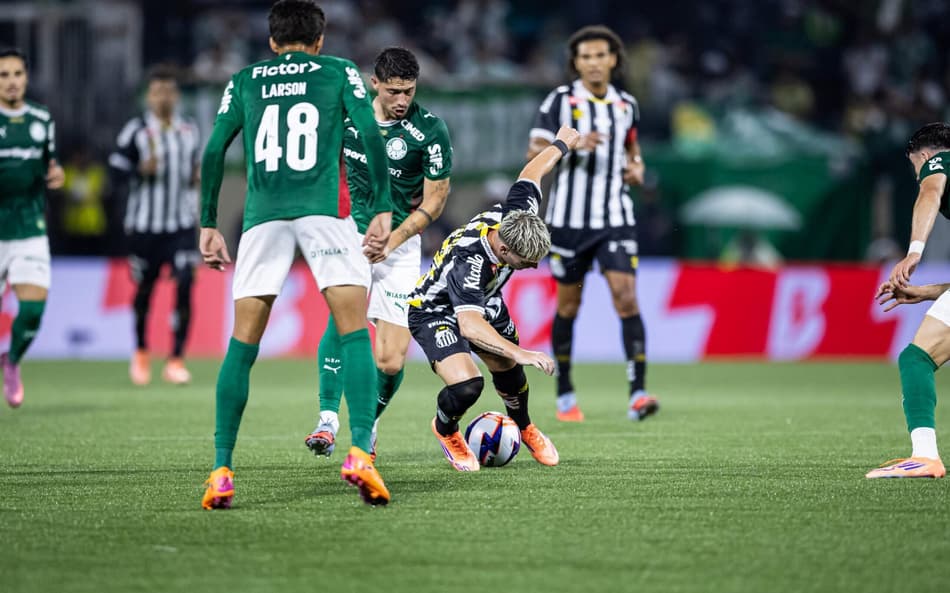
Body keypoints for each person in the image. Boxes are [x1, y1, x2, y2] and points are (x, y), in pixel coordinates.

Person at [199, 0, 394, 508]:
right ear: (320, 39)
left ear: (271, 41)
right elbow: (369, 131)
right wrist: (382, 207)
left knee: (241, 346)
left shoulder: (245, 79)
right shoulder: (338, 71)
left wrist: (208, 221)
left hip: (263, 216)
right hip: (323, 211)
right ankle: (359, 454)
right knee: (353, 331)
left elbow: (215, 148)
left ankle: (221, 470)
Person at [304, 47, 452, 459]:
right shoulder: (348, 116)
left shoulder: (430, 131)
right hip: (350, 233)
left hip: (400, 244)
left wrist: (393, 239)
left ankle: (368, 423)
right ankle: (328, 420)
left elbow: (435, 201)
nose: (402, 100)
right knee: (345, 318)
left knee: (389, 360)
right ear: (375, 84)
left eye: (408, 91)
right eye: (393, 91)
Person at [409, 125, 580, 472]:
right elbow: (469, 325)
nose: (531, 267)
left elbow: (531, 172)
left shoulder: (517, 217)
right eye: (525, 261)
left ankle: (526, 426)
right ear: (503, 248)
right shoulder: (470, 260)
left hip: (483, 299)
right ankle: (446, 430)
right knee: (469, 385)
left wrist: (561, 144)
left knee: (509, 371)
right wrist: (521, 351)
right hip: (435, 310)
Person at [527, 25, 659, 423]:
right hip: (567, 222)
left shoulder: (626, 105)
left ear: (614, 59)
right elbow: (534, 147)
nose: (594, 63)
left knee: (626, 297)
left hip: (615, 218)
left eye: (601, 55)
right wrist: (568, 143)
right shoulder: (561, 101)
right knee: (569, 305)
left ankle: (638, 393)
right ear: (576, 63)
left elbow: (633, 151)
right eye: (586, 57)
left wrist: (637, 168)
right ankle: (565, 393)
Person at [867, 122, 950, 479]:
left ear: (925, 155)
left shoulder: (939, 161)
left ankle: (925, 456)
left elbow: (930, 193)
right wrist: (929, 291)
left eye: (915, 165)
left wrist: (914, 252)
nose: (918, 174)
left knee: (918, 357)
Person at [108, 65, 201, 386]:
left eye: (169, 91)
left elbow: (194, 170)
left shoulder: (189, 130)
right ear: (149, 96)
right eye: (157, 91)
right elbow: (114, 172)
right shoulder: (136, 130)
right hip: (145, 227)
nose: (163, 97)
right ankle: (142, 351)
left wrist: (196, 177)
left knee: (186, 284)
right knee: (144, 291)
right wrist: (137, 169)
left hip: (181, 226)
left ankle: (176, 359)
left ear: (176, 96)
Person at [0, 48, 65, 408]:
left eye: (17, 75)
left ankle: (12, 361)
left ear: (26, 78)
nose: (11, 82)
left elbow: (50, 165)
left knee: (33, 311)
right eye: (3, 75)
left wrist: (56, 174)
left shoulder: (41, 118)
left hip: (29, 227)